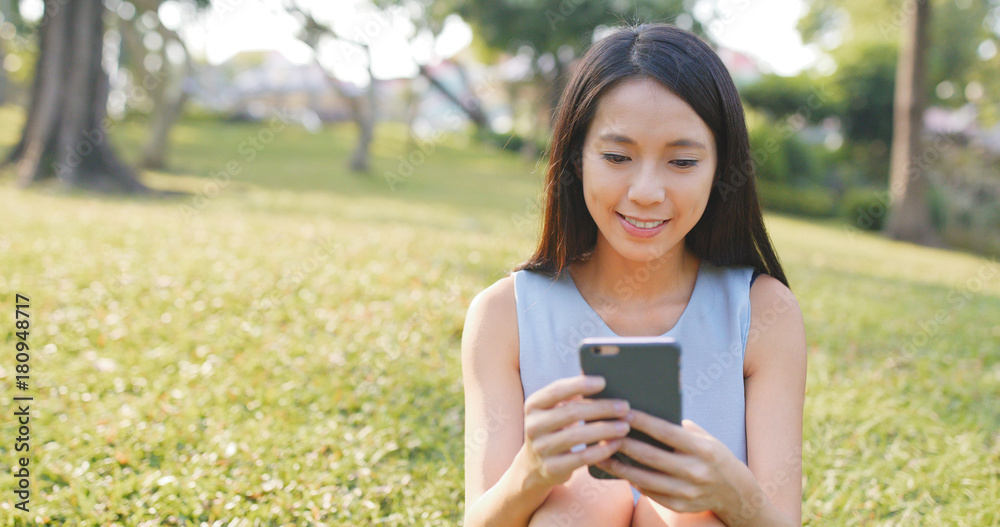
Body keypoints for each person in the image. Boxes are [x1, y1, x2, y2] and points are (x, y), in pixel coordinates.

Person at [461, 22, 806, 527]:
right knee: (579, 502)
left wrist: (730, 490)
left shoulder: (764, 312)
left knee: (685, 513)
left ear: (721, 167)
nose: (646, 191)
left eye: (682, 161)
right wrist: (531, 473)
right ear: (576, 157)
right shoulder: (503, 315)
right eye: (617, 156)